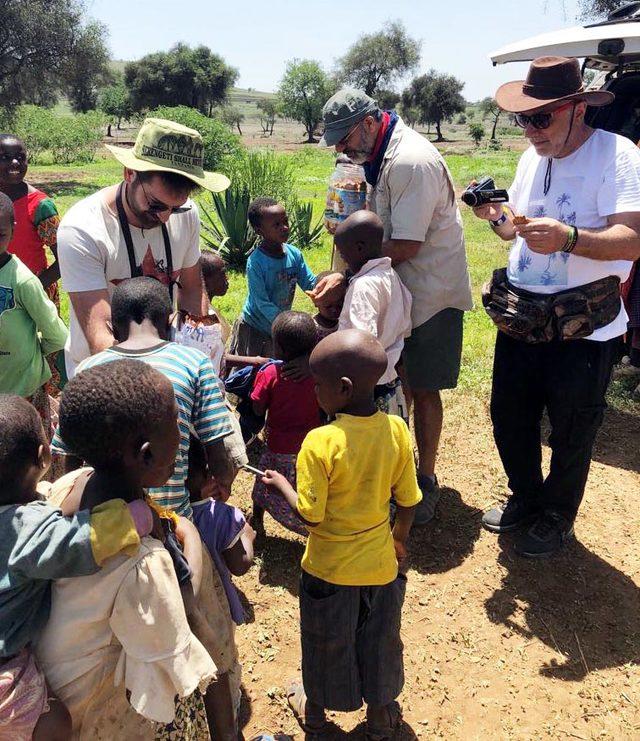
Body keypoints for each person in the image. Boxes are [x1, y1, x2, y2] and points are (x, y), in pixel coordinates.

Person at [472, 56, 640, 557]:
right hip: (523, 314)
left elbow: (631, 240)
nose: (529, 129)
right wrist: (496, 216)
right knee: (509, 414)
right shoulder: (531, 158)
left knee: (572, 426)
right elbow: (517, 228)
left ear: (577, 108)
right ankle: (526, 495)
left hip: (584, 324)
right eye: (523, 118)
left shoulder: (618, 155)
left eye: (540, 117)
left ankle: (556, 515)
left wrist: (568, 239)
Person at [36, 360, 217, 739]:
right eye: (176, 427)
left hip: (50, 696)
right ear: (147, 455)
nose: (182, 438)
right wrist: (194, 545)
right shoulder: (142, 563)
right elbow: (181, 640)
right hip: (96, 713)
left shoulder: (70, 485)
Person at [316, 88, 473, 525]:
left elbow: (404, 242)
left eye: (344, 138)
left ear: (369, 123)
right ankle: (398, 471)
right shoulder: (377, 157)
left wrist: (347, 275)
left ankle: (425, 481)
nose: (341, 148)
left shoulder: (409, 161)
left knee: (422, 387)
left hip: (428, 294)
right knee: (398, 380)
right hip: (396, 288)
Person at [262, 329, 421, 738]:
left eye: (318, 385)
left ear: (343, 389)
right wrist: (399, 539)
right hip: (381, 568)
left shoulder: (320, 441)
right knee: (381, 641)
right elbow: (408, 500)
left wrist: (281, 485)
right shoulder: (397, 431)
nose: (314, 392)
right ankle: (381, 716)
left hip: (328, 571)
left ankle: (314, 714)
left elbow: (311, 517)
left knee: (323, 642)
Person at [0, 395, 155, 741]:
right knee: (56, 724)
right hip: (4, 669)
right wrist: (137, 517)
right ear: (44, 456)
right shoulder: (29, 529)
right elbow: (81, 542)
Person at [57, 117, 230, 378]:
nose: (166, 218)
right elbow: (101, 339)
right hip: (105, 377)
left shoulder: (187, 214)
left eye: (177, 207)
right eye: (156, 205)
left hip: (169, 372)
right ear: (130, 173)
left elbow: (192, 290)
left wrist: (198, 351)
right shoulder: (83, 229)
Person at [51, 277, 238, 516]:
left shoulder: (89, 368)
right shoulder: (194, 363)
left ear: (112, 327)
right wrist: (222, 481)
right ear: (170, 321)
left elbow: (71, 454)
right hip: (171, 514)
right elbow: (215, 441)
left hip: (101, 516)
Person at [334, 210, 412, 421]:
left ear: (359, 248)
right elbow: (405, 324)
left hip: (364, 389)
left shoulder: (363, 286)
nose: (343, 260)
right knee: (387, 446)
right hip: (389, 380)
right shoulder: (391, 276)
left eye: (343, 254)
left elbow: (362, 342)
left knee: (364, 447)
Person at [250, 311, 321, 537]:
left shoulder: (271, 373)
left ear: (277, 348)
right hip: (309, 445)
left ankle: (257, 519)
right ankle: (307, 523)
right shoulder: (317, 372)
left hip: (277, 446)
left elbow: (258, 408)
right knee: (305, 486)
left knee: (264, 481)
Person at [0, 193, 67, 430]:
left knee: (24, 452)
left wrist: (33, 353)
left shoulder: (23, 281)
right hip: (17, 384)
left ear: (12, 228)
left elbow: (57, 335)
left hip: (24, 391)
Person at [229, 197, 316, 358]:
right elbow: (261, 302)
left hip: (280, 326)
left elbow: (309, 282)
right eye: (276, 225)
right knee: (253, 370)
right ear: (259, 231)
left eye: (285, 221)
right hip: (255, 326)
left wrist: (324, 288)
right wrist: (285, 323)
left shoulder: (294, 254)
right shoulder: (256, 262)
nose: (284, 227)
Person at [188, 435, 256, 625]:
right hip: (216, 604)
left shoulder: (162, 516)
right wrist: (248, 537)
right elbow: (240, 565)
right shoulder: (222, 515)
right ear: (210, 475)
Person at [309, 270, 346, 342]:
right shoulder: (310, 328)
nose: (334, 310)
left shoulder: (346, 322)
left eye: (339, 305)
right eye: (328, 306)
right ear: (316, 302)